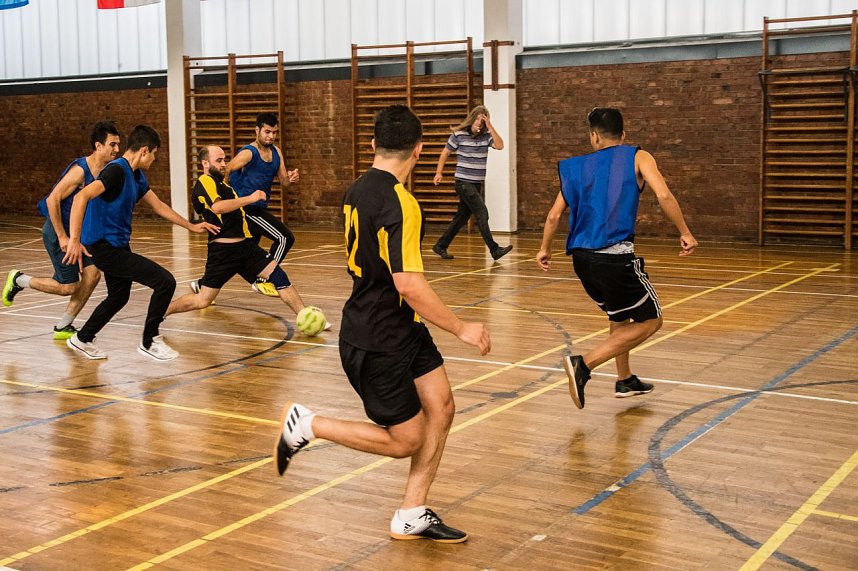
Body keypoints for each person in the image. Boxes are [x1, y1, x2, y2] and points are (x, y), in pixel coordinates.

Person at [274, 105, 491, 543]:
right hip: (377, 336)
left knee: (443, 406)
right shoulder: (402, 203)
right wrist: (461, 327)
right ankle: (308, 425)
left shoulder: (356, 190)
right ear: (420, 150)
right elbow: (408, 283)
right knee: (406, 440)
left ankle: (411, 513)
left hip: (401, 327)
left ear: (373, 144)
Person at [536, 107, 698, 409]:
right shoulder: (638, 156)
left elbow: (554, 215)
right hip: (614, 257)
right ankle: (583, 364)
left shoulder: (576, 167)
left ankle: (624, 379)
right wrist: (684, 231)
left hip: (582, 260)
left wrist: (544, 249)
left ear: (593, 136)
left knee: (620, 316)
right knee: (652, 320)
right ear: (623, 135)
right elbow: (663, 195)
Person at [63, 124, 218, 361]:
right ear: (145, 151)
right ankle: (149, 340)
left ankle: (83, 338)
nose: (154, 159)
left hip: (117, 246)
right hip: (104, 247)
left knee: (119, 295)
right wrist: (74, 240)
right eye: (154, 153)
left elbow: (159, 206)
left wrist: (191, 225)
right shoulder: (116, 172)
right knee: (165, 281)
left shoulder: (136, 175)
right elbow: (82, 196)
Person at [165, 145, 328, 332]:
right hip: (223, 253)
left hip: (245, 248)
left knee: (279, 276)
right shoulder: (205, 182)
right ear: (205, 163)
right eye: (218, 160)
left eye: (224, 160)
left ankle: (305, 316)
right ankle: (162, 311)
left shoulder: (225, 186)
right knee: (203, 300)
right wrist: (249, 199)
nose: (223, 164)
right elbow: (218, 208)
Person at [2, 122, 121, 340]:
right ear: (98, 145)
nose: (116, 149)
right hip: (59, 233)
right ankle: (19, 279)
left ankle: (64, 326)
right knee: (69, 287)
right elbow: (52, 200)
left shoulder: (107, 171)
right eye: (112, 144)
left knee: (93, 274)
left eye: (118, 144)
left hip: (80, 236)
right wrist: (63, 237)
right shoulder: (80, 171)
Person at [190, 112, 300, 297]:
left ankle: (202, 285)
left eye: (274, 132)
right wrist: (224, 197)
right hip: (246, 209)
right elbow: (227, 169)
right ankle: (264, 279)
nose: (271, 136)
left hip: (258, 208)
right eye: (267, 132)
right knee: (284, 238)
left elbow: (284, 182)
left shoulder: (276, 152)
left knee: (241, 259)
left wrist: (291, 178)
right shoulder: (249, 152)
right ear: (257, 131)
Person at [431, 105, 512, 261]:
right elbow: (445, 153)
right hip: (463, 182)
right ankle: (494, 250)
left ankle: (440, 245)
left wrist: (490, 126)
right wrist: (438, 172)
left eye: (483, 121)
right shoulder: (459, 135)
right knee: (482, 213)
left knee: (462, 217)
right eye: (478, 120)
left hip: (476, 184)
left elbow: (500, 145)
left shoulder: (486, 135)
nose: (479, 124)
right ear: (472, 119)